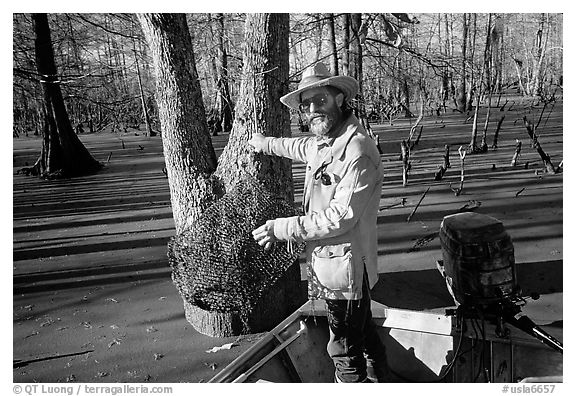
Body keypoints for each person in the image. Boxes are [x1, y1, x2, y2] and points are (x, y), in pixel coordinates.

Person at [249, 62, 391, 383]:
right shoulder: (325, 142)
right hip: (332, 266)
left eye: (320, 100)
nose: (313, 109)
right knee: (364, 335)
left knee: (343, 351)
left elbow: (339, 217)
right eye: (306, 103)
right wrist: (264, 143)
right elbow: (296, 146)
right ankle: (384, 381)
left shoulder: (358, 151)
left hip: (346, 272)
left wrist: (281, 228)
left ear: (339, 98)